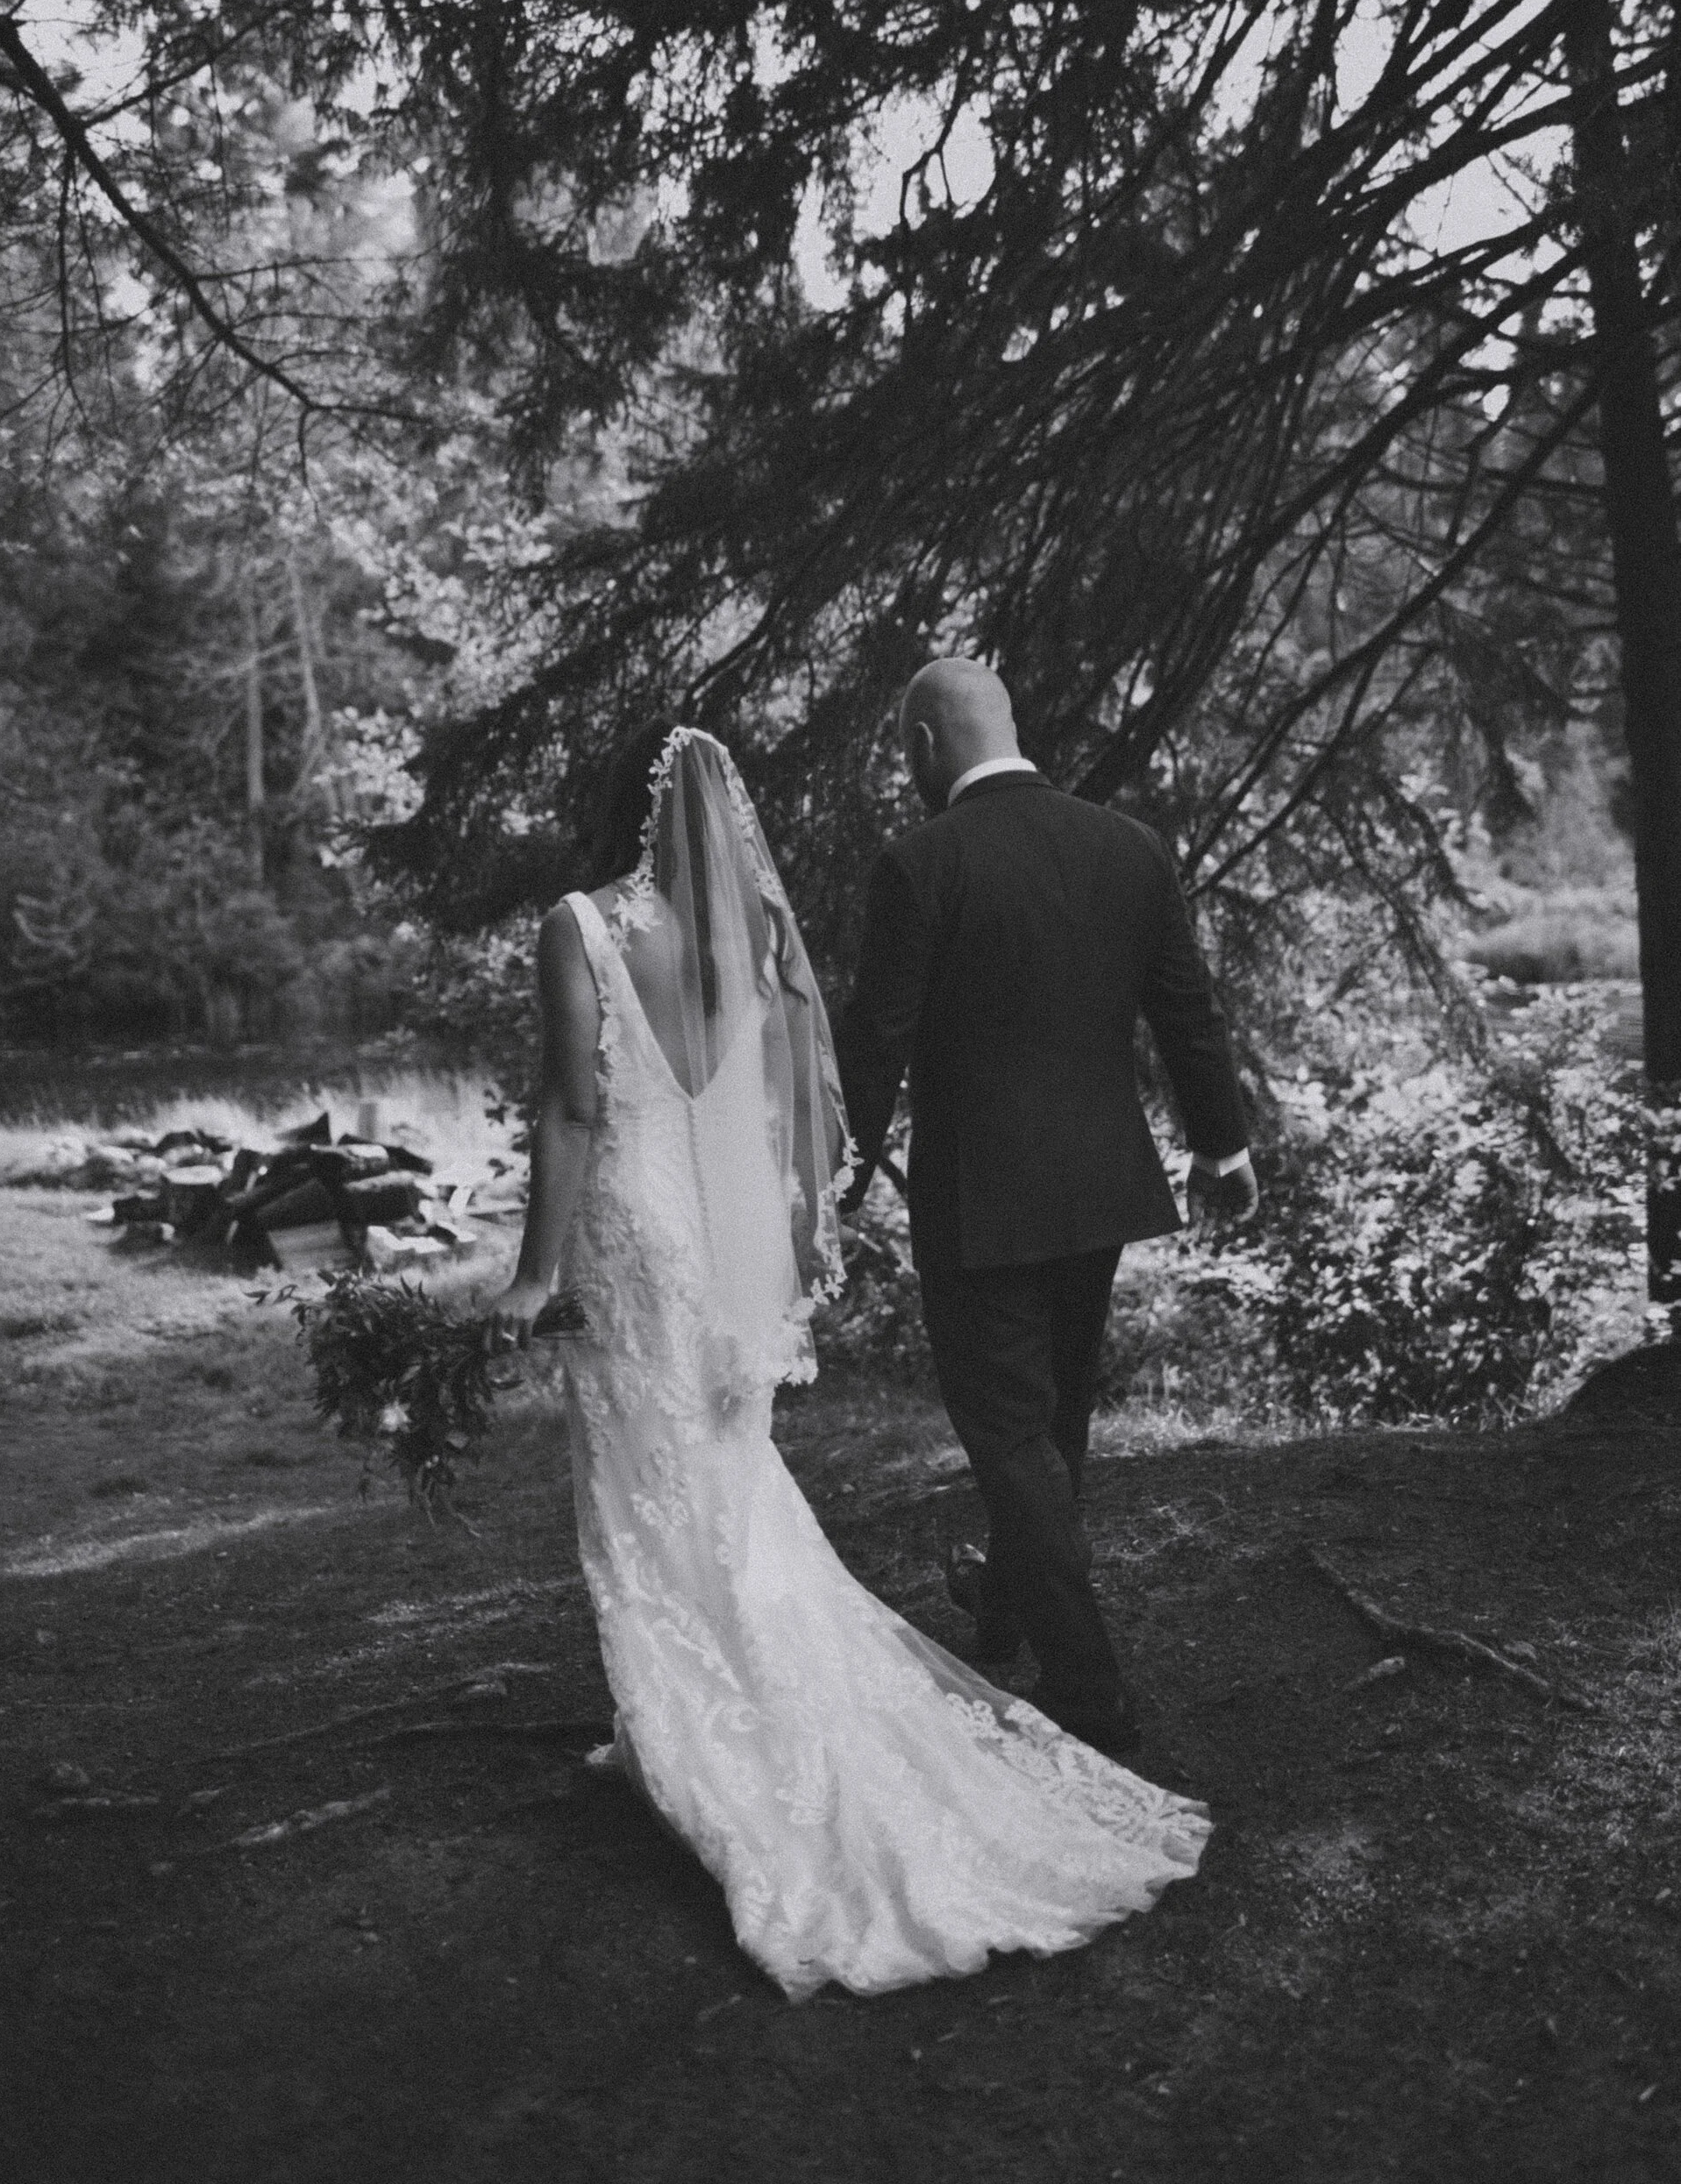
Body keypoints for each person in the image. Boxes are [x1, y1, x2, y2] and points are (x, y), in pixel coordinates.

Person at [499, 717, 1209, 2000]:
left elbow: (572, 1105)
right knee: (749, 1471)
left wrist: (533, 1271)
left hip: (640, 1231)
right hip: (760, 1241)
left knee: (654, 1475)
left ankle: (698, 1728)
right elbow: (789, 1098)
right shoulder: (748, 939)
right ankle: (718, 1699)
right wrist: (802, 1223)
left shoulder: (589, 925)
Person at [836, 658, 1257, 1758]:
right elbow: (1186, 1012)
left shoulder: (921, 863)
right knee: (1052, 1421)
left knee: (1013, 1436)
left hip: (979, 1202)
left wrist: (829, 1186)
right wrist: (1221, 1146)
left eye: (902, 751)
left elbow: (874, 1042)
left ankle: (1088, 1688)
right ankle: (1007, 1613)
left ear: (926, 744)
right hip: (1100, 1186)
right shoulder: (1128, 848)